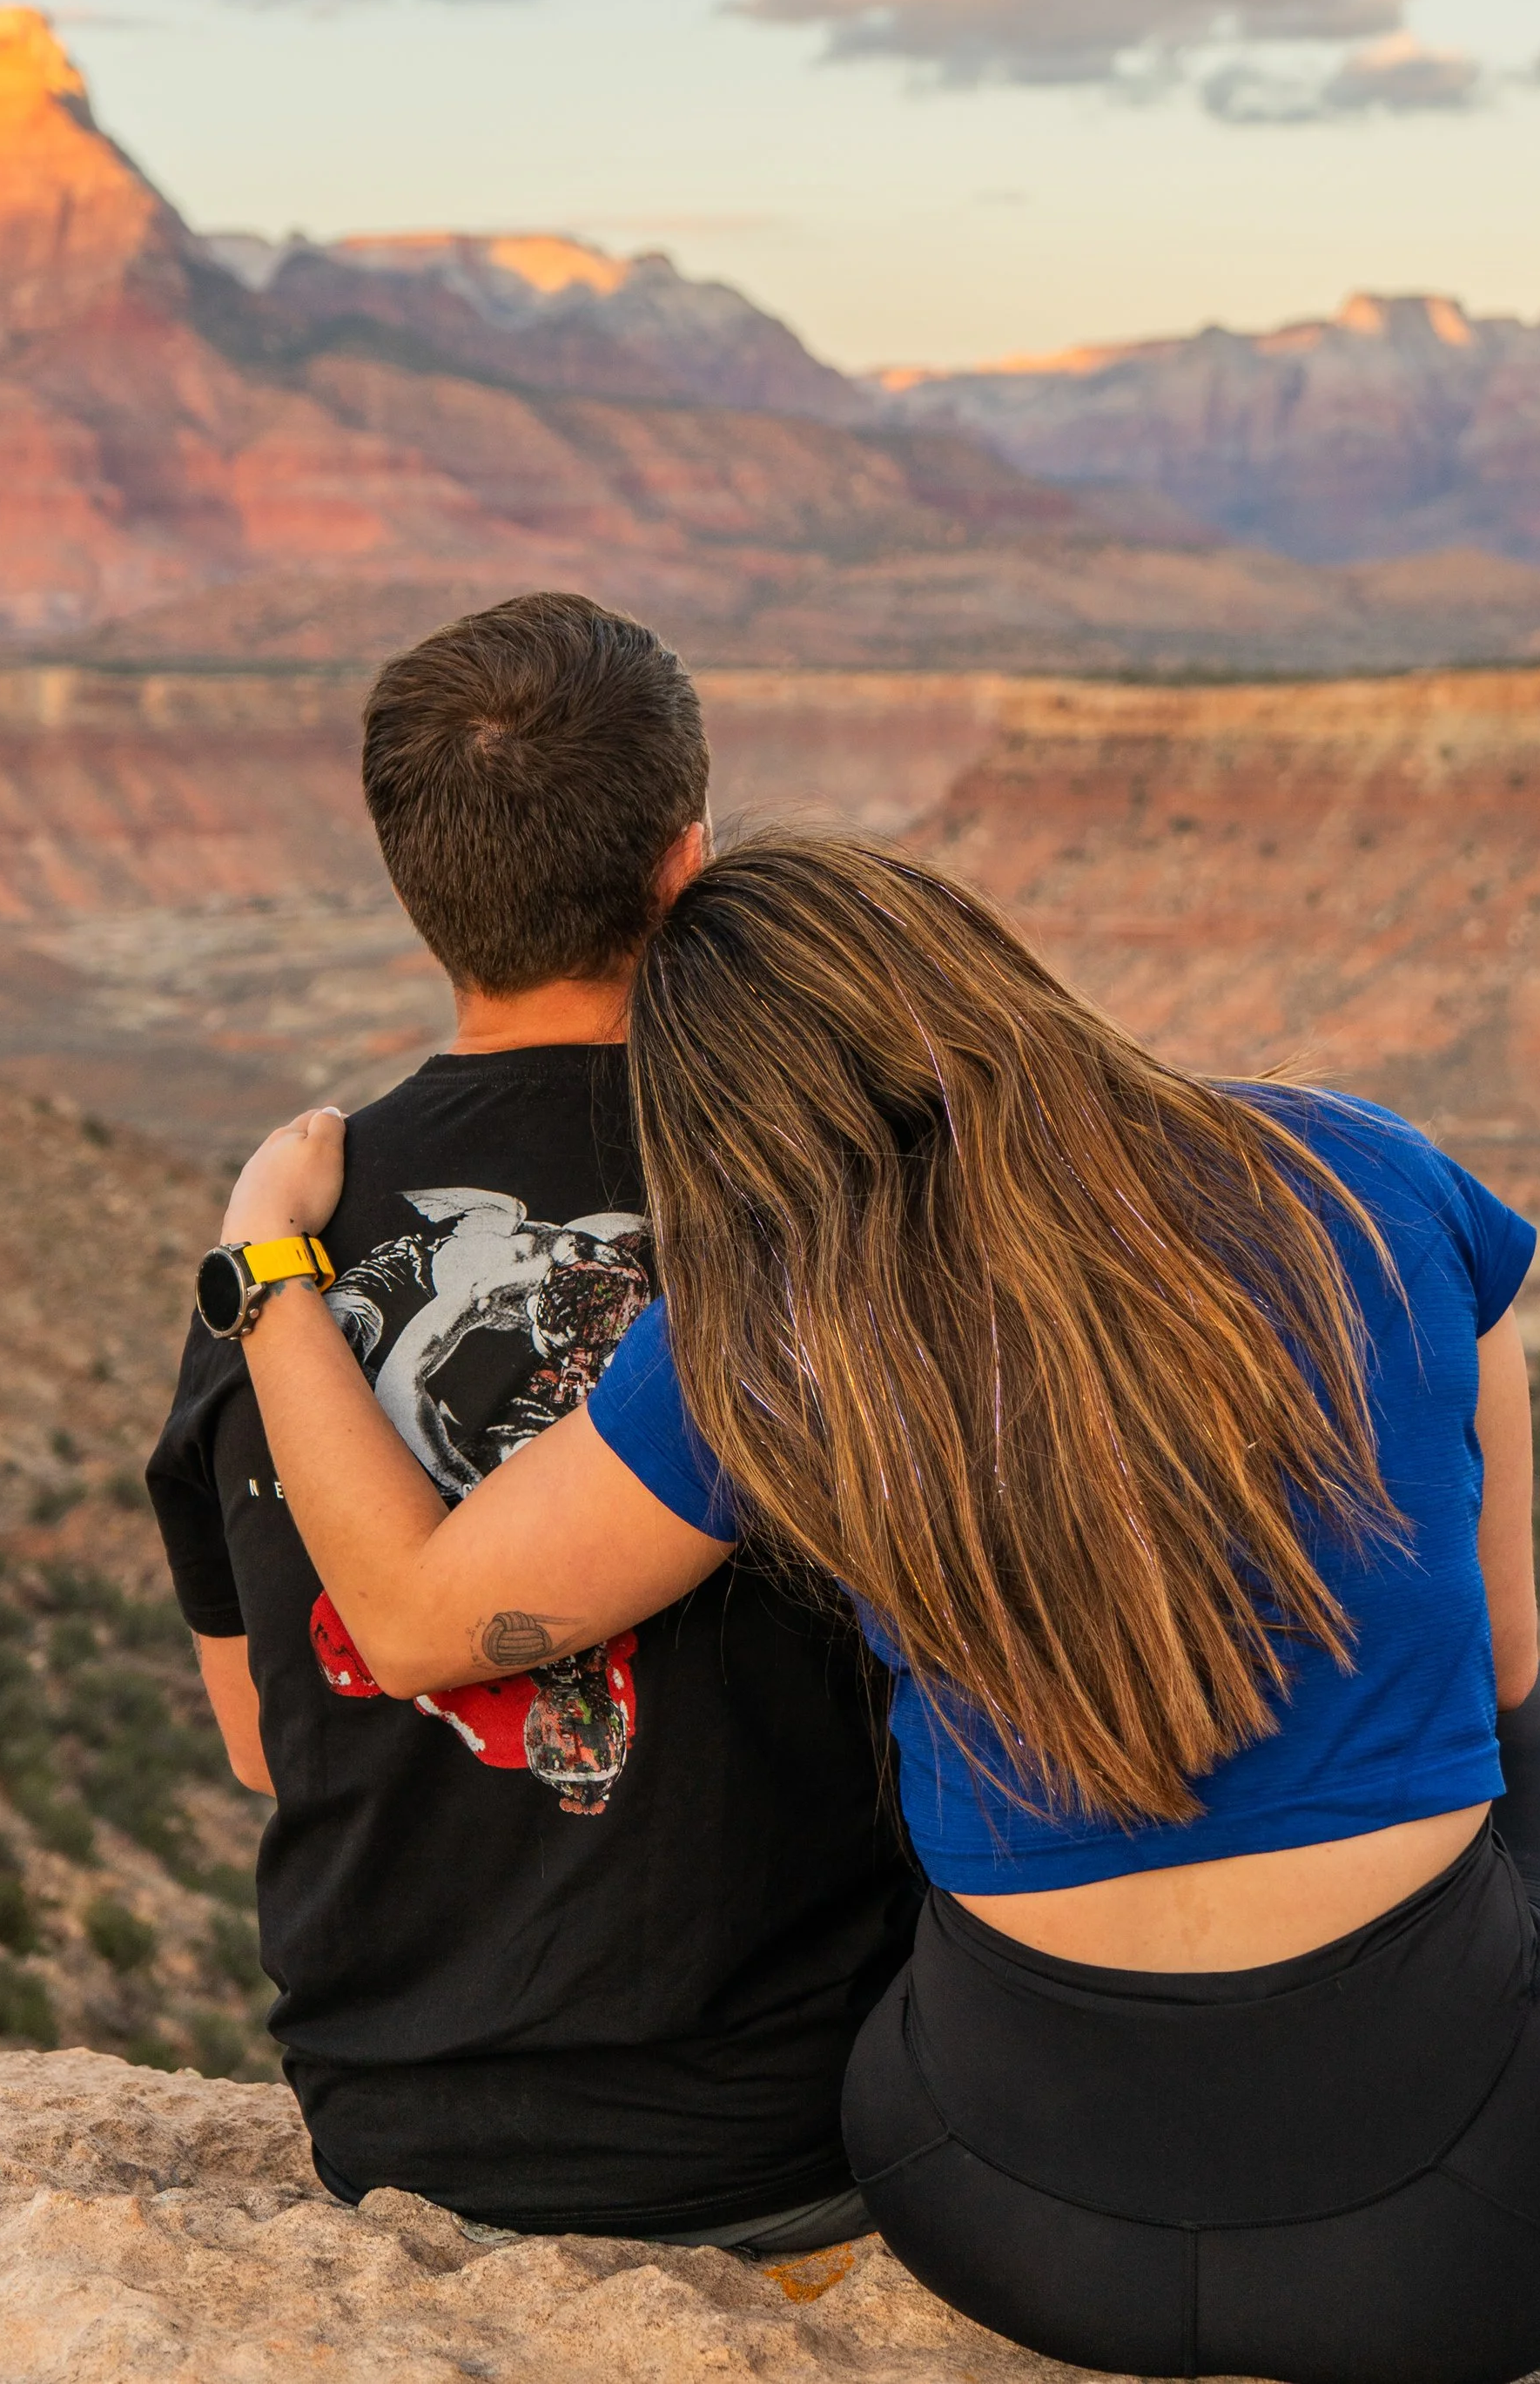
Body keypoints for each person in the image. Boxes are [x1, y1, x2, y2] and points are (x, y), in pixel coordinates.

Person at [216, 832, 1540, 2383]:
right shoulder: (1365, 1170)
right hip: (1486, 2232)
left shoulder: (774, 1330)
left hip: (1006, 2216)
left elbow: (412, 1619)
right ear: (979, 973)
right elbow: (1503, 1664)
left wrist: (267, 1259)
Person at [146, 604, 919, 2253]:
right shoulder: (820, 1211)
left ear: (415, 883)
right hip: (791, 2131)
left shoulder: (270, 1272)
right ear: (687, 859)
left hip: (401, 2139)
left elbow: (265, 1739)